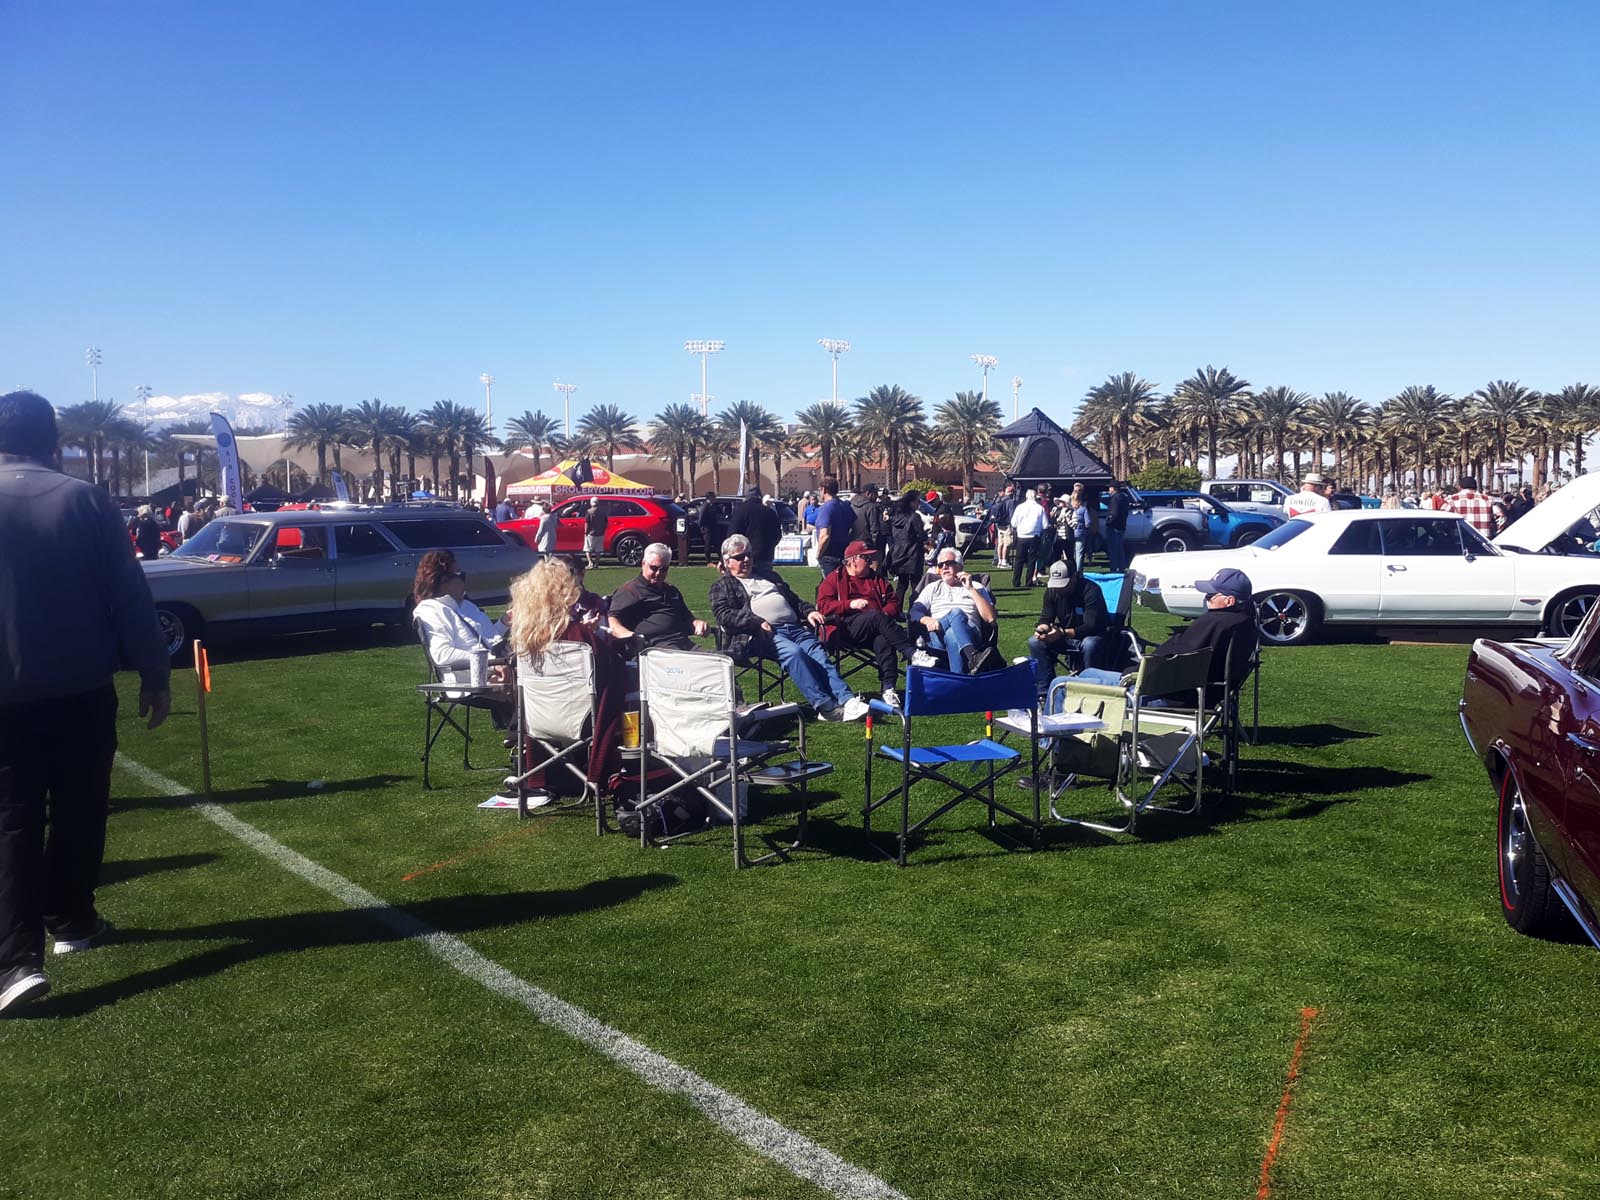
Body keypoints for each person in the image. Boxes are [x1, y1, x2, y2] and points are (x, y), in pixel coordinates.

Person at [0, 391, 171, 1016]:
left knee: (12, 820)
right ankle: (70, 917)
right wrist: (155, 672)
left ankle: (15, 961)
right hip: (79, 688)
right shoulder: (86, 500)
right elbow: (128, 596)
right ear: (54, 441)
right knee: (80, 810)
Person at [710, 534, 867, 721]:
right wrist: (756, 622)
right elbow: (724, 615)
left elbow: (794, 600)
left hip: (795, 628)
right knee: (794, 653)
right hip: (760, 634)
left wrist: (809, 611)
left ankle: (847, 700)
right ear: (727, 562)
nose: (746, 560)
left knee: (817, 653)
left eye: (749, 555)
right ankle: (826, 707)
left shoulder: (769, 576)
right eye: (739, 557)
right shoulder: (722, 586)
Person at [507, 560, 625, 791]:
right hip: (582, 722)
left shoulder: (524, 640)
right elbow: (613, 671)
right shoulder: (579, 637)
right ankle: (612, 772)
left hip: (538, 721)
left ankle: (541, 775)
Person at [1079, 568, 1259, 703]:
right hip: (1202, 691)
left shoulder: (1214, 623)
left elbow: (1176, 658)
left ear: (1229, 600)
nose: (1206, 598)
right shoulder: (1245, 623)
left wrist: (1133, 673)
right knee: (1087, 673)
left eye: (1211, 595)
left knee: (1071, 682)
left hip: (1164, 693)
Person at [814, 540, 923, 708]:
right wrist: (849, 604)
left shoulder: (876, 579)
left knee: (884, 639)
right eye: (867, 558)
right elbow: (823, 606)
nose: (872, 562)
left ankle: (888, 688)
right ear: (852, 561)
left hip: (877, 627)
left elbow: (893, 602)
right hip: (846, 629)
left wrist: (885, 615)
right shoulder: (834, 579)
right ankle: (912, 652)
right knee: (876, 617)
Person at [412, 551, 510, 705]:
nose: (465, 582)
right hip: (471, 680)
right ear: (444, 581)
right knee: (531, 685)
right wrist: (492, 661)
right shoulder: (431, 610)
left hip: (497, 666)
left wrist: (504, 622)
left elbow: (485, 642)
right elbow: (442, 655)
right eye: (461, 575)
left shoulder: (466, 606)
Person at [1027, 560, 1112, 699]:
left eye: (1063, 585)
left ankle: (1090, 689)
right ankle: (1044, 692)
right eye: (1056, 585)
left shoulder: (1091, 590)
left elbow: (1091, 625)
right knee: (1035, 642)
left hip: (1093, 635)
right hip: (1065, 635)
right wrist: (1042, 628)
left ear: (1075, 577)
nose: (1059, 589)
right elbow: (1046, 617)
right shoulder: (1051, 592)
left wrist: (1062, 633)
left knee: (1090, 644)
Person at [910, 548, 999, 674]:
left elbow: (990, 617)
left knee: (952, 634)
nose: (944, 567)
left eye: (949, 563)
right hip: (938, 633)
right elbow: (914, 611)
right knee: (956, 612)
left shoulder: (977, 587)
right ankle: (973, 656)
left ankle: (959, 678)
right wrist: (926, 619)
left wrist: (971, 589)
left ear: (960, 566)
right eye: (941, 565)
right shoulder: (932, 587)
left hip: (970, 632)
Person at [607, 543, 708, 652]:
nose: (658, 573)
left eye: (664, 569)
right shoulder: (629, 591)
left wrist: (697, 623)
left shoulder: (671, 591)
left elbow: (688, 618)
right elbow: (612, 620)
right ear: (643, 564)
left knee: (719, 658)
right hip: (654, 648)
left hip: (683, 643)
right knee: (691, 659)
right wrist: (629, 635)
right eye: (654, 568)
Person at [885, 488, 929, 614]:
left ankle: (896, 610)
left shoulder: (896, 518)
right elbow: (920, 535)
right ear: (911, 502)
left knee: (901, 585)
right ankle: (915, 611)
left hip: (899, 553)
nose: (919, 504)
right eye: (918, 501)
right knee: (916, 584)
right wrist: (925, 535)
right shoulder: (914, 517)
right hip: (913, 553)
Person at [729, 484, 781, 572]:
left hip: (743, 556)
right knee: (765, 579)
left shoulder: (740, 510)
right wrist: (769, 546)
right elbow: (777, 535)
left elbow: (732, 534)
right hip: (765, 556)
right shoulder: (770, 512)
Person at [813, 475, 855, 575]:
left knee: (831, 583)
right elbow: (854, 528)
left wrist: (818, 554)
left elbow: (825, 536)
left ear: (824, 489)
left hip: (830, 556)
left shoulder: (826, 507)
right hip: (844, 552)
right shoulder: (845, 506)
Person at [1009, 487, 1047, 588]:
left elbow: (1013, 523)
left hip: (1021, 536)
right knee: (1032, 560)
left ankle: (1016, 582)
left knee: (1019, 560)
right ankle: (1029, 581)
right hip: (1034, 536)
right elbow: (1045, 525)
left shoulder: (1020, 507)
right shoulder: (1040, 508)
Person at [849, 483, 885, 557]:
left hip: (853, 544)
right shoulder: (871, 507)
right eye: (875, 493)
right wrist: (875, 546)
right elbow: (874, 529)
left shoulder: (850, 505)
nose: (877, 496)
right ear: (868, 493)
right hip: (868, 545)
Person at [1102, 481, 1130, 572]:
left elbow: (1114, 513)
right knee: (1120, 549)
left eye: (1110, 488)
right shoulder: (1124, 497)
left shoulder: (1114, 499)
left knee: (1113, 549)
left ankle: (1114, 568)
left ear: (1113, 488)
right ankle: (1121, 567)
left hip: (1113, 528)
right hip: (1121, 526)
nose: (1109, 490)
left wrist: (1108, 522)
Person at [989, 482, 1017, 568]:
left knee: (1000, 543)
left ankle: (999, 561)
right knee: (1007, 543)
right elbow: (1011, 515)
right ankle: (1004, 561)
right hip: (1007, 525)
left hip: (999, 524)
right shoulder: (1010, 501)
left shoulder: (999, 500)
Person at [583, 498, 607, 567]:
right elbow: (606, 522)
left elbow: (587, 523)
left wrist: (586, 532)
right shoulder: (602, 511)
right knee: (598, 550)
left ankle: (590, 563)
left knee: (588, 549)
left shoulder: (589, 511)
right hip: (600, 533)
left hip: (591, 533)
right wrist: (603, 529)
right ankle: (596, 563)